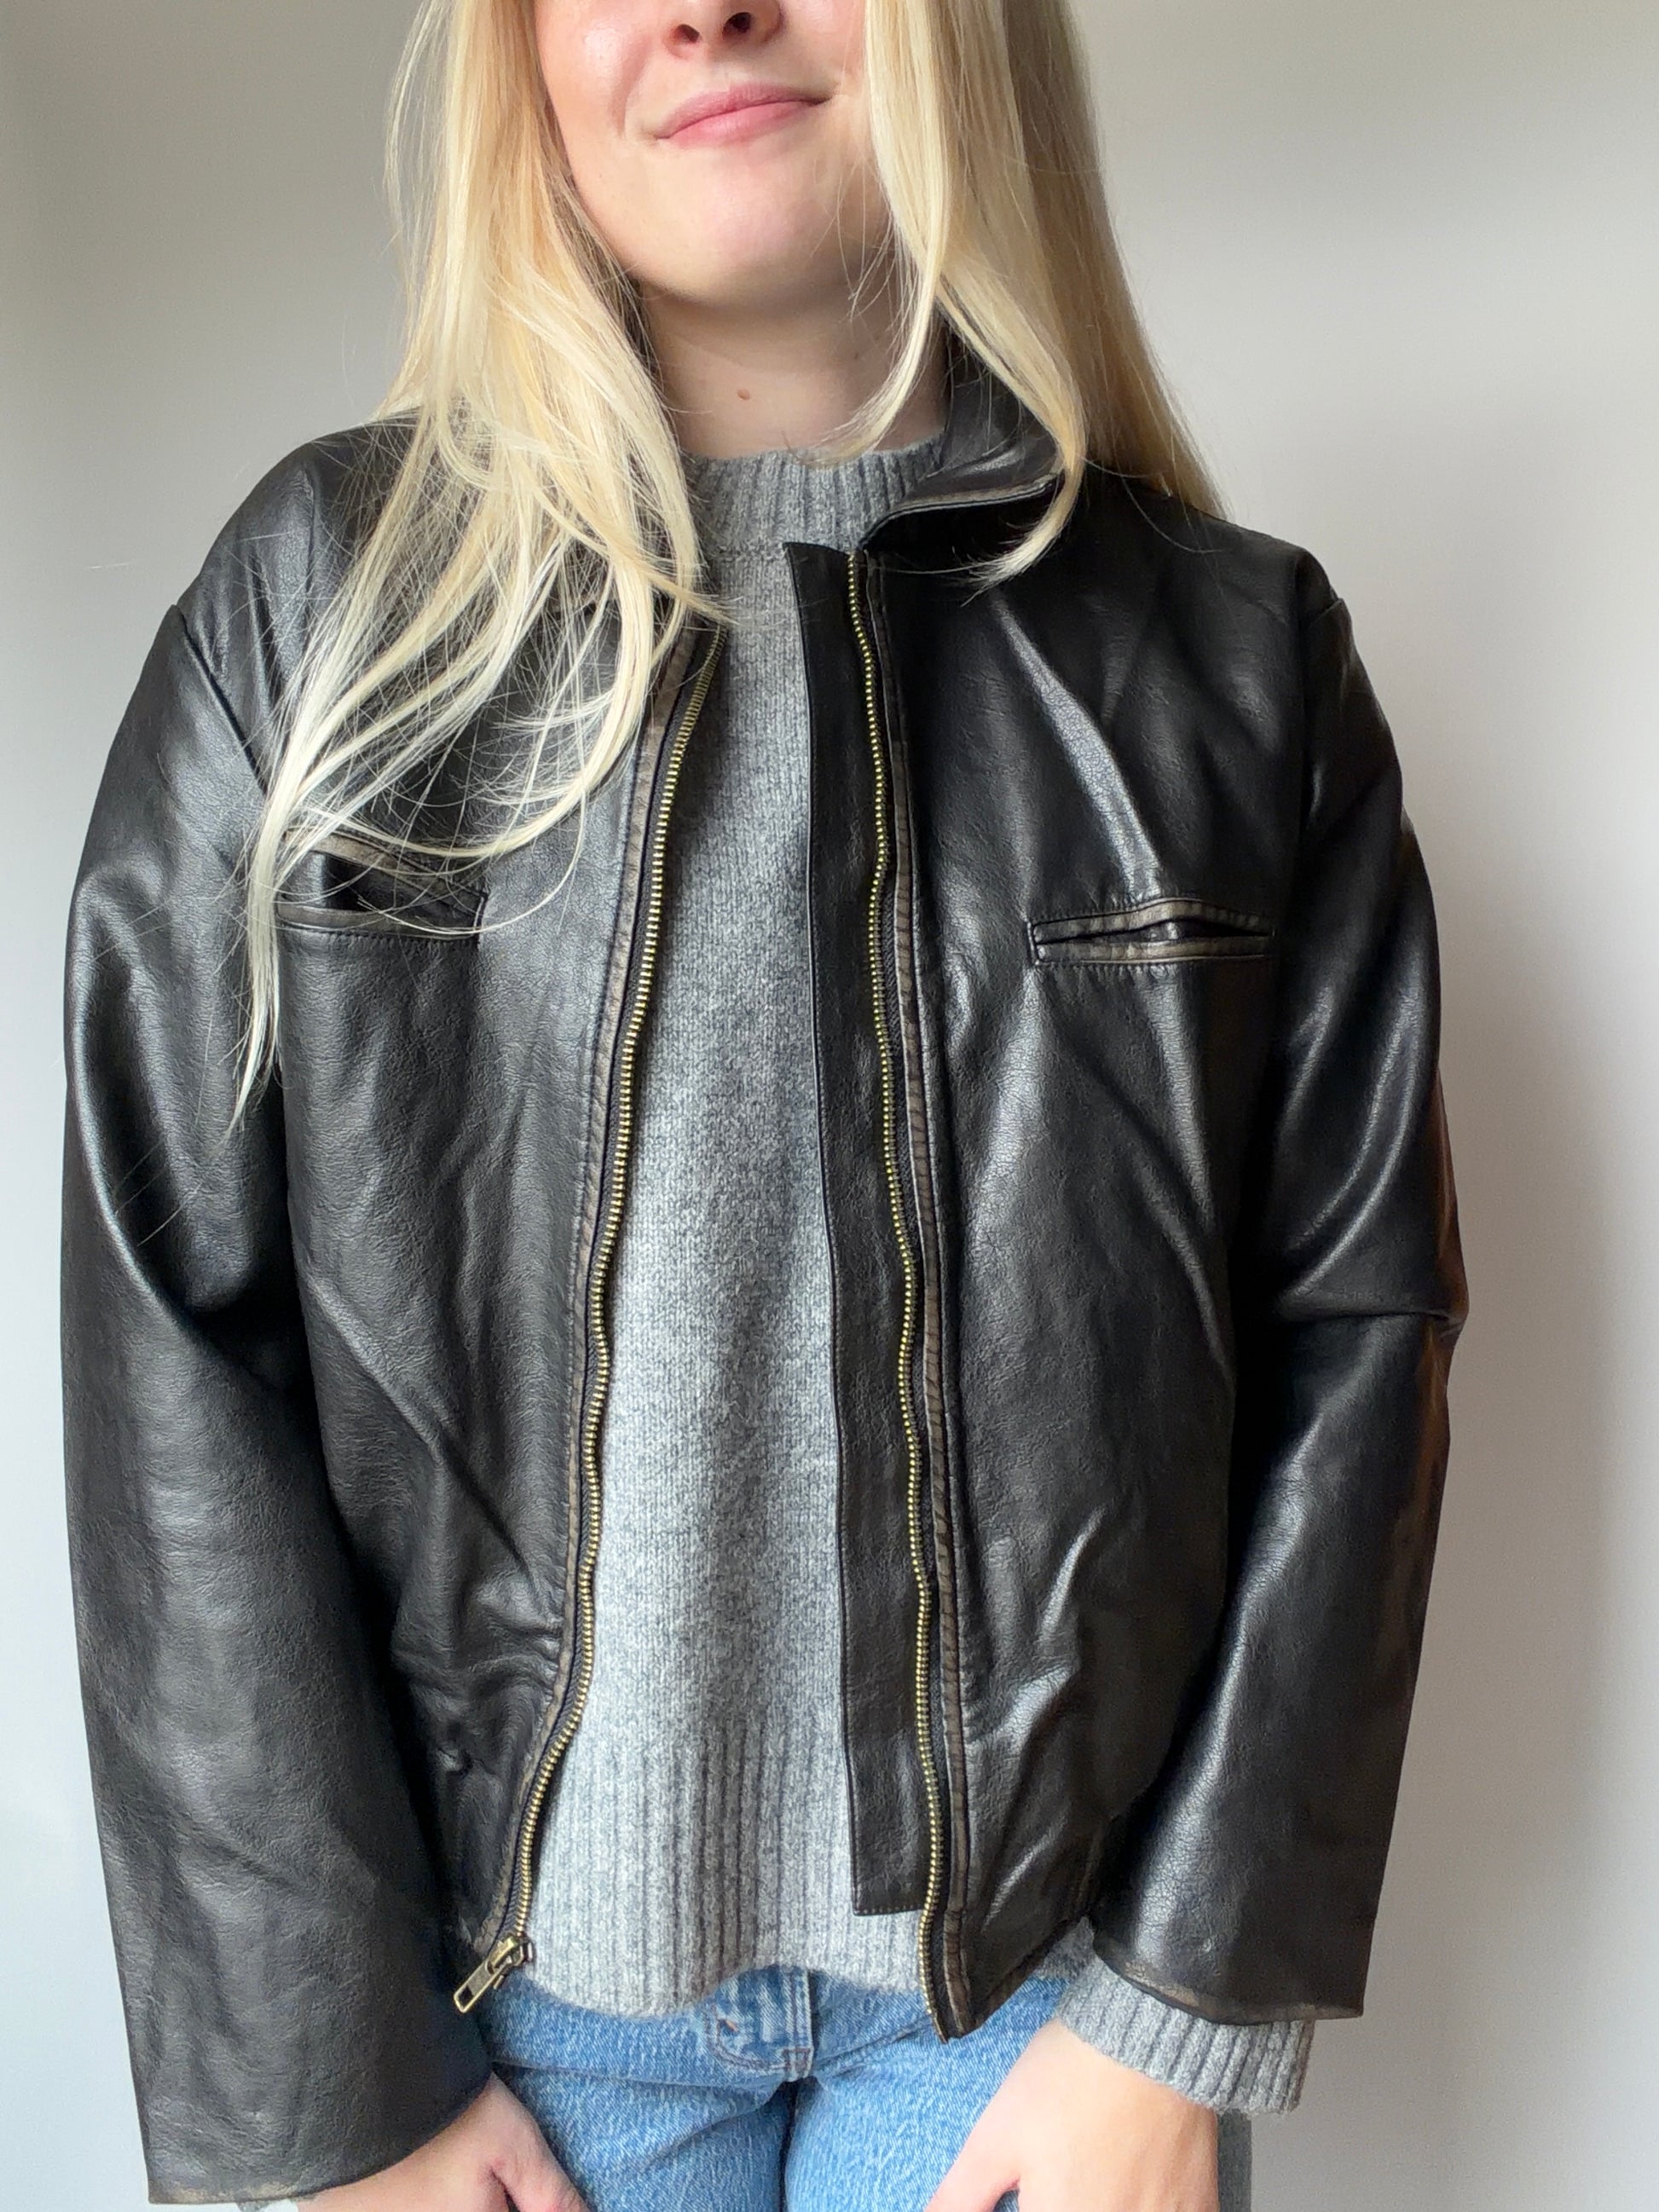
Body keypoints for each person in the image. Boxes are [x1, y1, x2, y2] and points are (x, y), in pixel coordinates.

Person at [58, 3, 1467, 2209]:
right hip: (492, 2018)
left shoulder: (1234, 660)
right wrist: (335, 2087)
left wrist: (1176, 2013)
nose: (706, 8)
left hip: (1032, 2013)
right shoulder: (318, 615)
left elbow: (1353, 1333)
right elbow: (171, 1348)